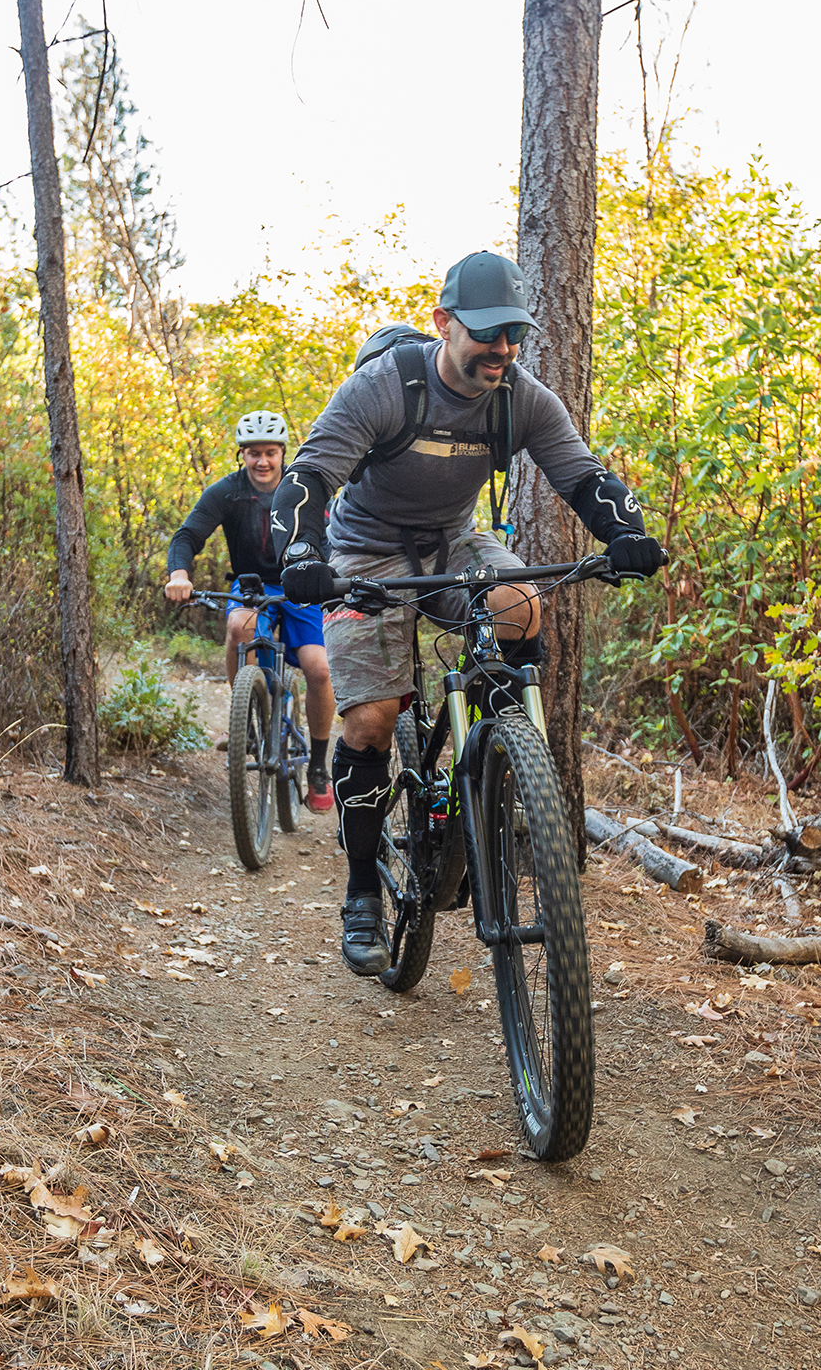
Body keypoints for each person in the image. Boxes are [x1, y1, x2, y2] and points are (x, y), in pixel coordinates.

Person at [269, 251, 665, 976]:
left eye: (514, 333)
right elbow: (310, 477)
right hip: (364, 554)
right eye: (488, 333)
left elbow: (584, 477)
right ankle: (362, 890)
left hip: (456, 543)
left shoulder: (523, 400)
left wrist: (627, 535)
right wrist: (301, 554)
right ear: (443, 323)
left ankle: (501, 758)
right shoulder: (385, 386)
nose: (503, 349)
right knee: (370, 719)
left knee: (519, 606)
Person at [164, 411, 337, 810]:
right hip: (253, 584)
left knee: (319, 668)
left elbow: (331, 540)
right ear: (242, 455)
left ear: (282, 453)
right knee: (239, 627)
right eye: (254, 453)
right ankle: (246, 714)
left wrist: (335, 576)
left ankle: (317, 765)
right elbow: (188, 535)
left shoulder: (304, 488)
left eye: (270, 453)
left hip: (302, 586)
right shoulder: (227, 492)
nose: (262, 461)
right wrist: (178, 574)